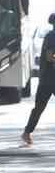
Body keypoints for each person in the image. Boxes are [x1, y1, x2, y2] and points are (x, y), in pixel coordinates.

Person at [22, 13, 55, 145]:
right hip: (49, 78)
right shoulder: (52, 37)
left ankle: (26, 132)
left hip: (46, 78)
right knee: (39, 107)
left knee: (38, 108)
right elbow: (50, 57)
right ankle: (27, 132)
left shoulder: (50, 35)